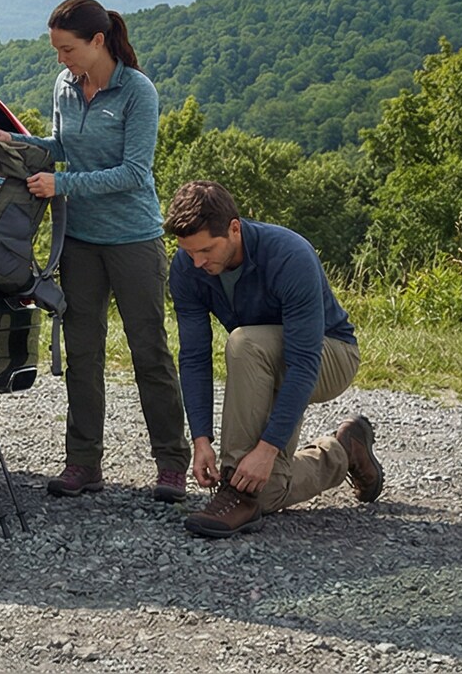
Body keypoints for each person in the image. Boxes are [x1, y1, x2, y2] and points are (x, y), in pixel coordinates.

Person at [0, 0, 187, 500]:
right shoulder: (64, 86)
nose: (61, 59)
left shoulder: (137, 92)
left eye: (67, 49)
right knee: (82, 353)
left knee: (150, 353)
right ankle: (82, 464)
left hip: (134, 240)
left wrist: (63, 186)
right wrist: (14, 140)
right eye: (56, 50)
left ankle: (171, 463)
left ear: (98, 42)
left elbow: (135, 173)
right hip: (78, 241)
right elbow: (60, 147)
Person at [164, 180, 384, 537]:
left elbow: (303, 362)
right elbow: (193, 356)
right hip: (265, 359)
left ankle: (235, 492)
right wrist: (200, 439)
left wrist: (267, 450)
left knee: (243, 343)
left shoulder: (288, 254)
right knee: (268, 490)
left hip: (329, 354)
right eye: (188, 252)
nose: (197, 262)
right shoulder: (187, 267)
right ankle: (344, 451)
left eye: (205, 250)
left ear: (234, 228)